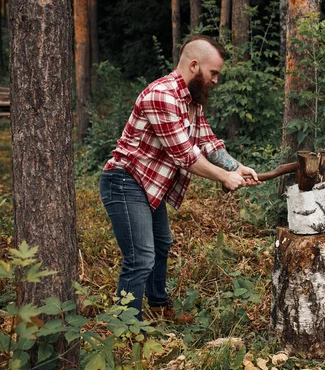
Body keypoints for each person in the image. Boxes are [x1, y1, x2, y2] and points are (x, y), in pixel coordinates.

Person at [99, 34, 260, 321]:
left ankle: (159, 308)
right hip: (125, 181)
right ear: (195, 66)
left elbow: (207, 141)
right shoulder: (162, 95)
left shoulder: (192, 100)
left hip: (150, 185)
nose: (216, 80)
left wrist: (237, 167)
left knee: (162, 244)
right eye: (214, 73)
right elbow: (186, 155)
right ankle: (126, 327)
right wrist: (224, 177)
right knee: (140, 258)